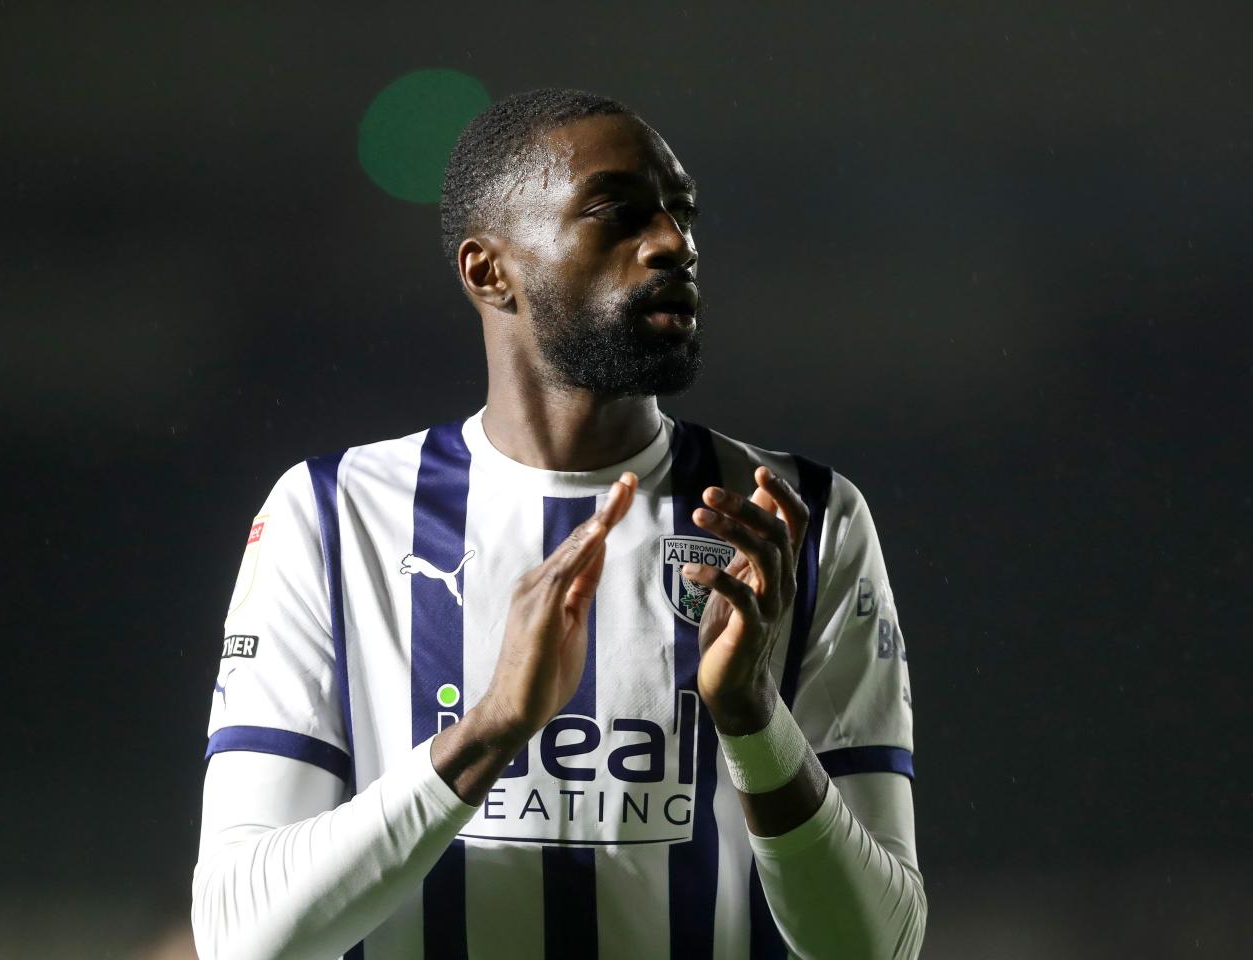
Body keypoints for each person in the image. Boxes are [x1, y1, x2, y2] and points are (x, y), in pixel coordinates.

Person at [191, 87, 926, 960]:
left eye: (682, 213)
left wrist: (753, 715)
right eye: (617, 212)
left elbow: (875, 946)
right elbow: (243, 937)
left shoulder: (796, 519)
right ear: (488, 271)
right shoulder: (331, 514)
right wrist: (492, 730)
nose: (674, 243)